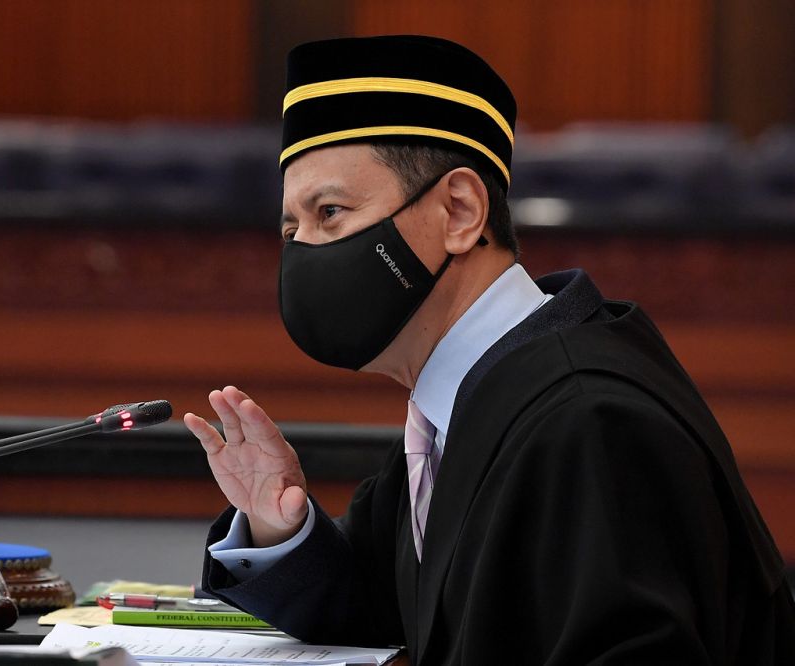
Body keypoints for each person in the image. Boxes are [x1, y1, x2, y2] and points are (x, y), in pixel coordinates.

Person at [183, 35, 795, 664]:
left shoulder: (587, 422)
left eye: (331, 213)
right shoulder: (464, 406)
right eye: (291, 229)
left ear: (459, 210)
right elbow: (394, 614)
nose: (305, 250)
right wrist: (279, 527)